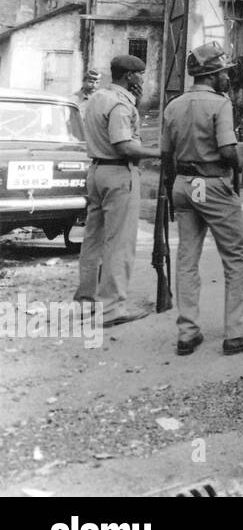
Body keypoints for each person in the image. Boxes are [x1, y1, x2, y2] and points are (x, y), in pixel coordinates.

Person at [162, 42, 243, 357]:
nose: (227, 78)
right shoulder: (220, 104)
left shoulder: (174, 105)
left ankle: (187, 333)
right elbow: (227, 153)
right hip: (213, 184)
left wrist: (172, 189)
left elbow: (166, 155)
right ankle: (235, 333)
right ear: (212, 74)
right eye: (223, 72)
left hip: (183, 184)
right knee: (235, 258)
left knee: (187, 260)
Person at [73, 54, 159, 326]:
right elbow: (124, 145)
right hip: (118, 171)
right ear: (130, 76)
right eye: (140, 74)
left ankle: (86, 302)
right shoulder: (120, 104)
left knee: (93, 240)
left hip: (97, 170)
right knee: (119, 243)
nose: (142, 79)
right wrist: (159, 153)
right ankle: (112, 309)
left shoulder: (98, 97)